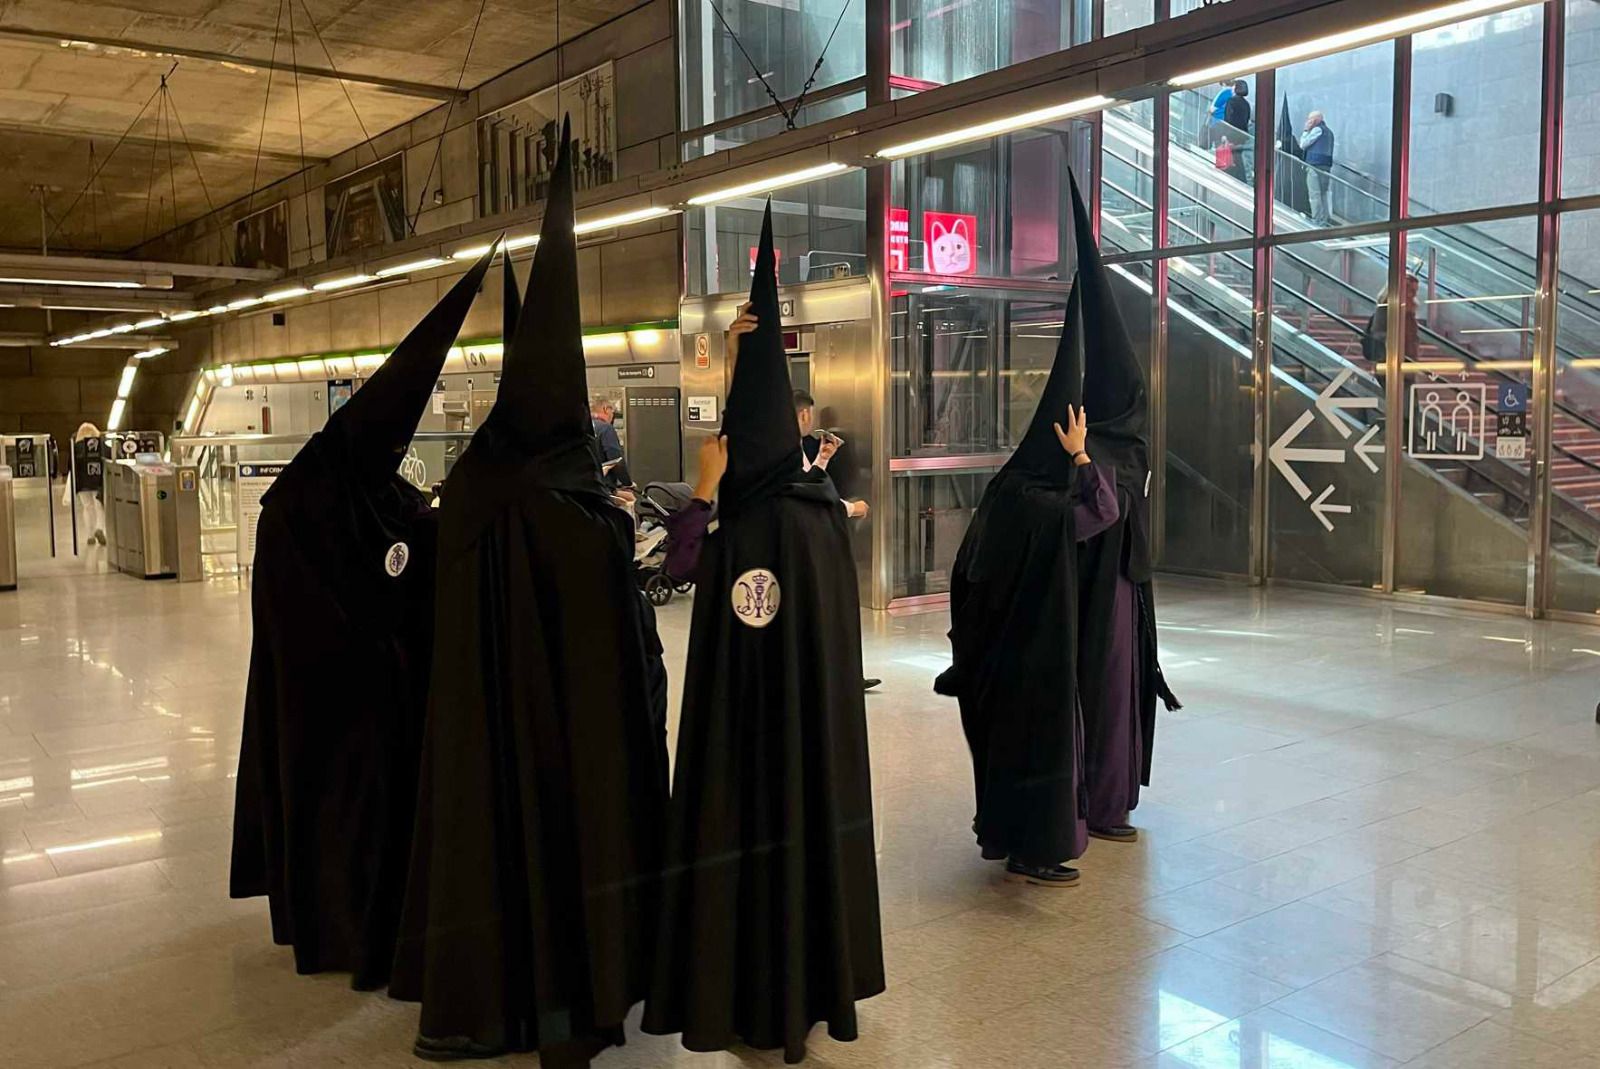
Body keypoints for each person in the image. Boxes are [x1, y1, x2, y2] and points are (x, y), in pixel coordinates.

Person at [389, 120, 668, 1066]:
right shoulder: (577, 507)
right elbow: (618, 649)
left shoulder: (473, 480)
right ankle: (568, 1003)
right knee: (560, 853)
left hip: (477, 731)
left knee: (485, 847)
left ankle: (472, 1007)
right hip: (567, 752)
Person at [644, 201, 883, 1064]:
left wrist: (704, 493)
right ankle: (810, 989)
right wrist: (742, 359)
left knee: (743, 853)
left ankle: (745, 992)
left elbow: (676, 569)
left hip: (743, 743)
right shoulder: (815, 514)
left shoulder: (741, 520)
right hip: (804, 740)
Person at [229, 243, 498, 990]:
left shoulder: (367, 487)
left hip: (373, 703)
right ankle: (335, 930)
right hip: (323, 709)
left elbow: (410, 531)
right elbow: (319, 613)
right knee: (338, 819)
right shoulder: (296, 508)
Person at [934, 200, 1120, 888]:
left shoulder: (1010, 489)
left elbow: (969, 570)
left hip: (1004, 663)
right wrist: (1080, 459)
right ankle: (1036, 848)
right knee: (1043, 760)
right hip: (1042, 663)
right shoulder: (1049, 502)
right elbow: (1102, 512)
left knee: (1010, 758)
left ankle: (1014, 840)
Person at [1071, 171, 1181, 846]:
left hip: (1112, 594)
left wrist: (1081, 463)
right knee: (1106, 697)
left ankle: (1105, 798)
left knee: (1110, 697)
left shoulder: (1112, 448)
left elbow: (1098, 512)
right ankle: (1101, 799)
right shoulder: (1127, 441)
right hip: (1117, 590)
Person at [1362, 276, 1420, 365]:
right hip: (1390, 358)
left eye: (1416, 291)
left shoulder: (1410, 311)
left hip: (1407, 357)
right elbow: (1377, 332)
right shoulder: (1386, 308)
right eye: (1411, 291)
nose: (1414, 295)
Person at [1300, 110, 1335, 226]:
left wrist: (1305, 130)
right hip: (1326, 166)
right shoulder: (1329, 132)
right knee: (1324, 194)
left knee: (1315, 194)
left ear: (1316, 120)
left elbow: (1303, 144)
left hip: (1314, 165)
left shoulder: (1317, 130)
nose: (1308, 121)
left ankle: (1317, 221)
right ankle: (1324, 220)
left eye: (1310, 119)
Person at [1222, 79, 1252, 181]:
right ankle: (1241, 177)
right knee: (1238, 157)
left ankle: (1234, 175)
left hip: (1231, 133)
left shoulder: (1231, 101)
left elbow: (1228, 118)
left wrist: (1225, 134)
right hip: (1242, 135)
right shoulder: (1246, 104)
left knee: (1231, 156)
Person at [1208, 81, 1234, 148]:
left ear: (1223, 83)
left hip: (1218, 121)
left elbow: (1212, 109)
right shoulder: (1233, 93)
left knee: (1218, 143)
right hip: (1228, 123)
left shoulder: (1224, 92)